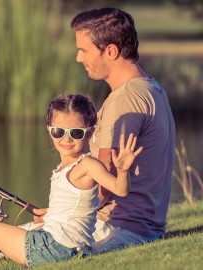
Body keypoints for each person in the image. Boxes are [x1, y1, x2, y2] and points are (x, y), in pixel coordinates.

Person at [0, 94, 143, 269]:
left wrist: (122, 170)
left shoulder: (87, 165)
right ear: (49, 130)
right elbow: (73, 208)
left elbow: (120, 189)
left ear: (90, 132)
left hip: (57, 247)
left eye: (76, 133)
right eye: (58, 131)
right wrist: (49, 215)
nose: (66, 138)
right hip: (63, 245)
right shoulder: (65, 167)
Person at [66, 7, 176, 253]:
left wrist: (62, 213)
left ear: (111, 51)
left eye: (83, 50)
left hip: (116, 228)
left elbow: (105, 187)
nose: (78, 58)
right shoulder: (152, 87)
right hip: (143, 228)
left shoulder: (124, 99)